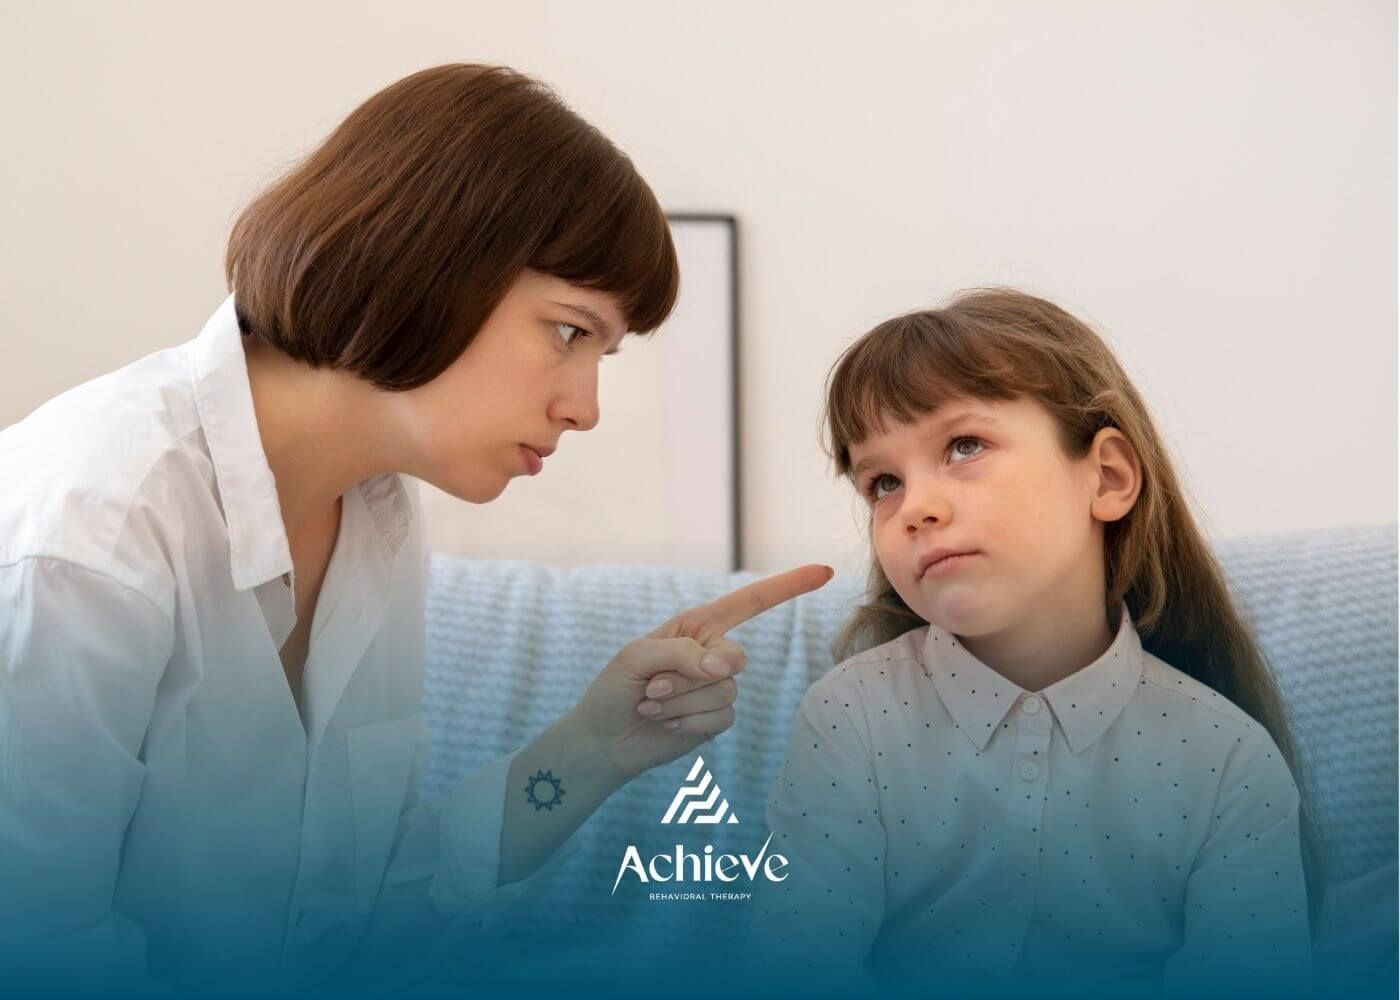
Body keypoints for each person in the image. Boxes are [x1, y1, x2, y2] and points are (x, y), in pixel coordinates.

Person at [0, 64, 832, 992]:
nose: (586, 408)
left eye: (603, 352)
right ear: (431, 263)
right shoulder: (93, 527)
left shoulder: (377, 516)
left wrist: (592, 751)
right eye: (569, 332)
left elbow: (365, 902)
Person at [750, 289, 1322, 998]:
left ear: (1108, 477)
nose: (916, 508)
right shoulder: (851, 718)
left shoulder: (1229, 763)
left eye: (965, 447)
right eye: (883, 483)